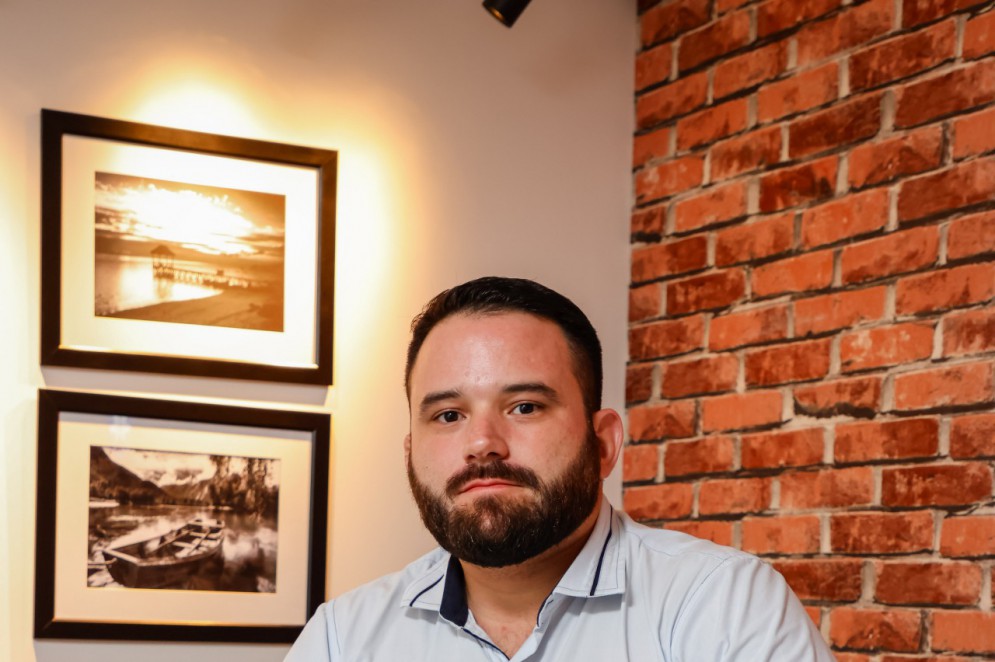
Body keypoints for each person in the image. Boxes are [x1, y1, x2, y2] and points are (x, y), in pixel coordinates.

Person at [285, 276, 834, 661]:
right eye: (448, 415)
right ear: (410, 453)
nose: (482, 444)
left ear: (603, 444)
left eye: (525, 407)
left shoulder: (723, 605)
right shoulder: (343, 639)